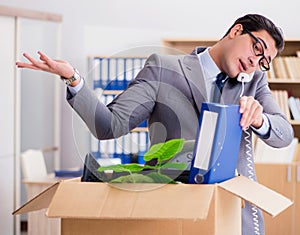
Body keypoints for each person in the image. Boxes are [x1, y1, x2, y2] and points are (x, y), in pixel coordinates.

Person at [16, 14, 293, 235]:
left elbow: (284, 135)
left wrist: (261, 119)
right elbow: (109, 126)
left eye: (263, 61)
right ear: (236, 31)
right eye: (257, 49)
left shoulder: (254, 83)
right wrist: (75, 81)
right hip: (174, 212)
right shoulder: (165, 68)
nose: (254, 62)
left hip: (236, 215)